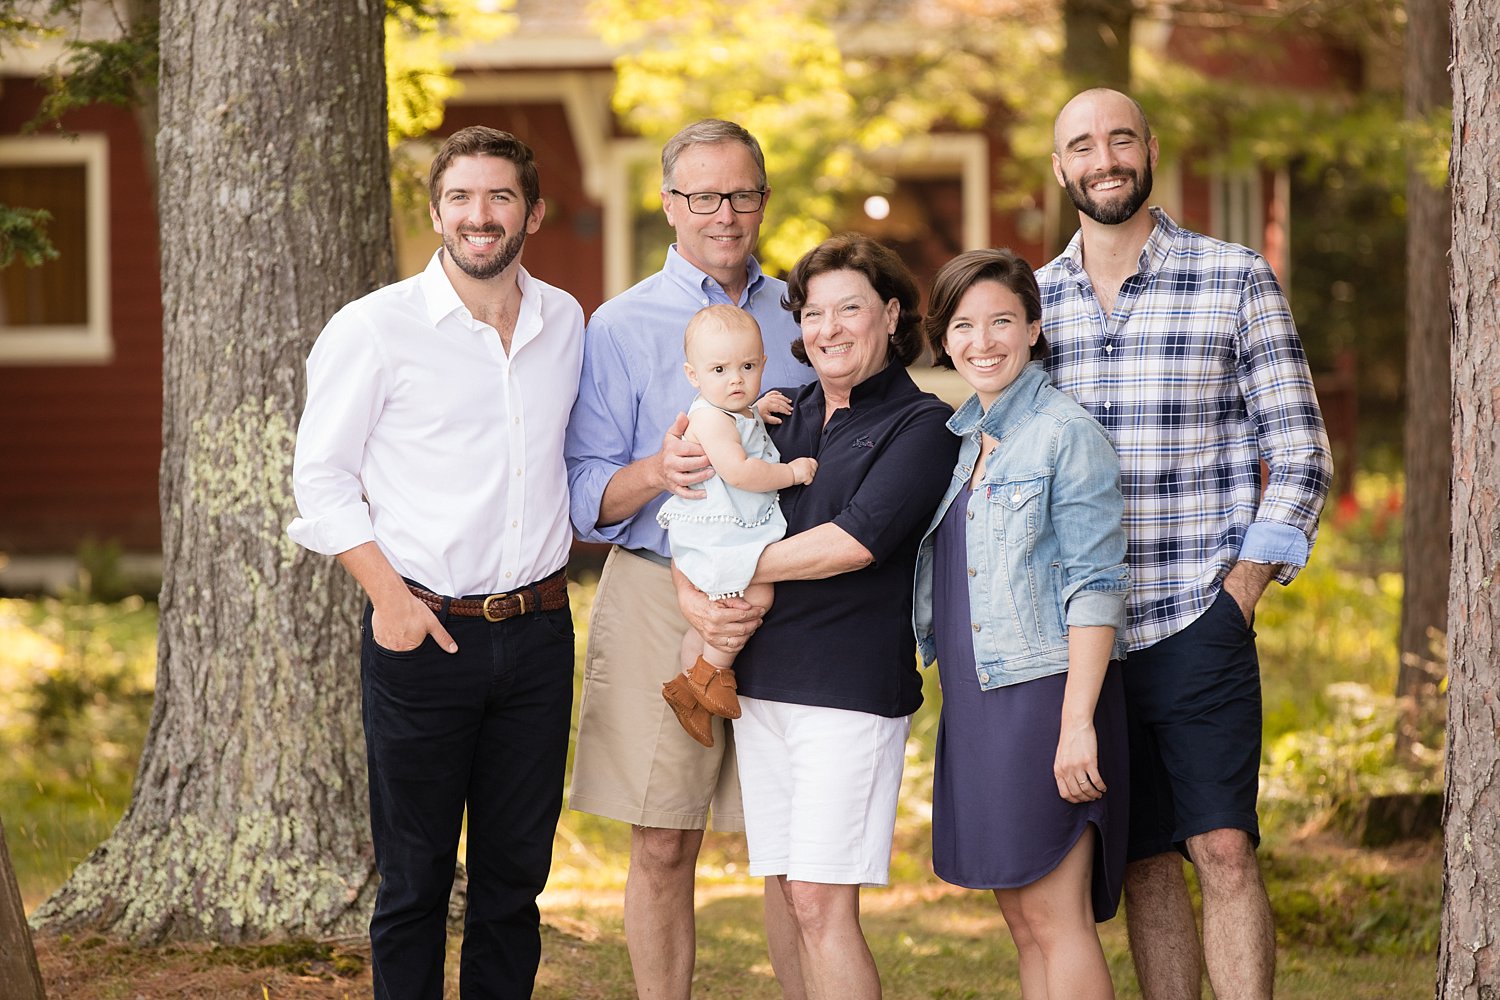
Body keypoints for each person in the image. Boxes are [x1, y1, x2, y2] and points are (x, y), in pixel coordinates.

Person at [1039, 88, 1334, 1000]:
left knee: (1224, 848)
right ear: (1062, 168)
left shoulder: (1234, 276)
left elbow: (1300, 451)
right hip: (1085, 639)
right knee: (1144, 863)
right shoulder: (1031, 304)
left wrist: (1239, 592)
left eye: (1121, 138)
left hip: (1197, 616)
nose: (1105, 158)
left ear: (1150, 149)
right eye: (1083, 145)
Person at [288, 127, 583, 1000]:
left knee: (514, 883)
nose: (479, 216)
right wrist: (388, 596)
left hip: (538, 635)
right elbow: (322, 476)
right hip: (424, 634)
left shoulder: (563, 320)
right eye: (460, 198)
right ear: (436, 211)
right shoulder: (375, 328)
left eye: (498, 197)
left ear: (531, 210)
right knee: (414, 883)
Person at [563, 119, 813, 998]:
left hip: (784, 591)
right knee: (663, 837)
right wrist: (654, 473)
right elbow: (582, 493)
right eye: (702, 195)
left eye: (741, 193)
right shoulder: (621, 324)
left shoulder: (802, 314)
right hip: (659, 593)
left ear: (762, 200)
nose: (724, 213)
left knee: (792, 845)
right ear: (669, 205)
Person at [682, 233, 958, 999]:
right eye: (812, 312)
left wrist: (723, 571)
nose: (828, 328)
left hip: (849, 692)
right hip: (764, 683)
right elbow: (703, 504)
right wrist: (694, 595)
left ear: (892, 314)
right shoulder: (776, 413)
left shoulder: (922, 426)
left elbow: (851, 545)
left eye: (850, 309)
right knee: (783, 889)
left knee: (820, 898)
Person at [913, 248, 1130, 1000]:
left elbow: (1096, 586)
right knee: (1025, 920)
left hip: (1045, 700)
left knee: (1056, 917)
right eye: (964, 325)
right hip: (979, 702)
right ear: (943, 339)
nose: (983, 341)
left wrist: (1077, 723)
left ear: (1034, 328)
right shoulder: (963, 441)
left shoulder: (1064, 434)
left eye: (1002, 320)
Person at [656, 305, 818, 745]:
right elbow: (741, 472)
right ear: (693, 375)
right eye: (719, 369)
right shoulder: (708, 417)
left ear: (763, 364)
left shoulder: (736, 409)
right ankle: (712, 675)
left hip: (732, 526)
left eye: (747, 367)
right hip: (717, 531)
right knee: (754, 597)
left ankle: (690, 684)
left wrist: (756, 410)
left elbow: (742, 419)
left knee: (713, 619)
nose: (736, 380)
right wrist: (792, 472)